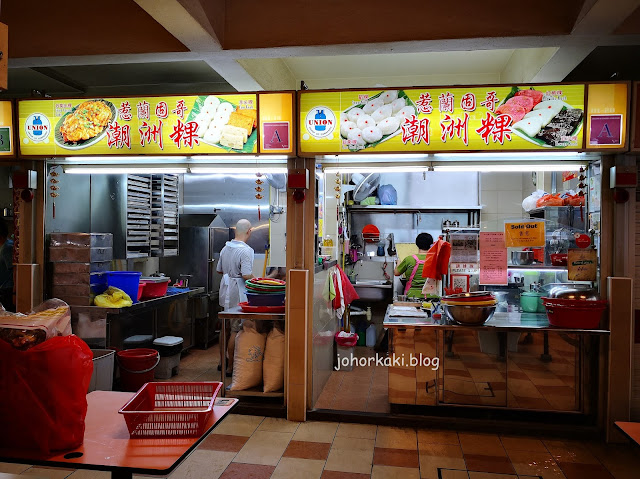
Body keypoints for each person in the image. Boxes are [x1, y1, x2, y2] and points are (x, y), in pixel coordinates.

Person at [218, 219, 255, 374]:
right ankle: (231, 367)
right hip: (237, 292)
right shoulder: (246, 250)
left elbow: (219, 270)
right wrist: (258, 281)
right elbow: (246, 275)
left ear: (235, 231)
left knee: (224, 327)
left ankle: (222, 362)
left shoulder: (225, 248)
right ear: (249, 231)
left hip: (224, 289)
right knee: (234, 329)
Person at [394, 232, 433, 299]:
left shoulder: (410, 259)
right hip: (431, 295)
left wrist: (398, 263)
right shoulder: (435, 259)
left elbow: (396, 273)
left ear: (417, 244)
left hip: (412, 296)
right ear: (431, 244)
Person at [0, 221, 13, 312]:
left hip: (6, 289)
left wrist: (15, 293)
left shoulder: (7, 248)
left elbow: (13, 270)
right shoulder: (4, 246)